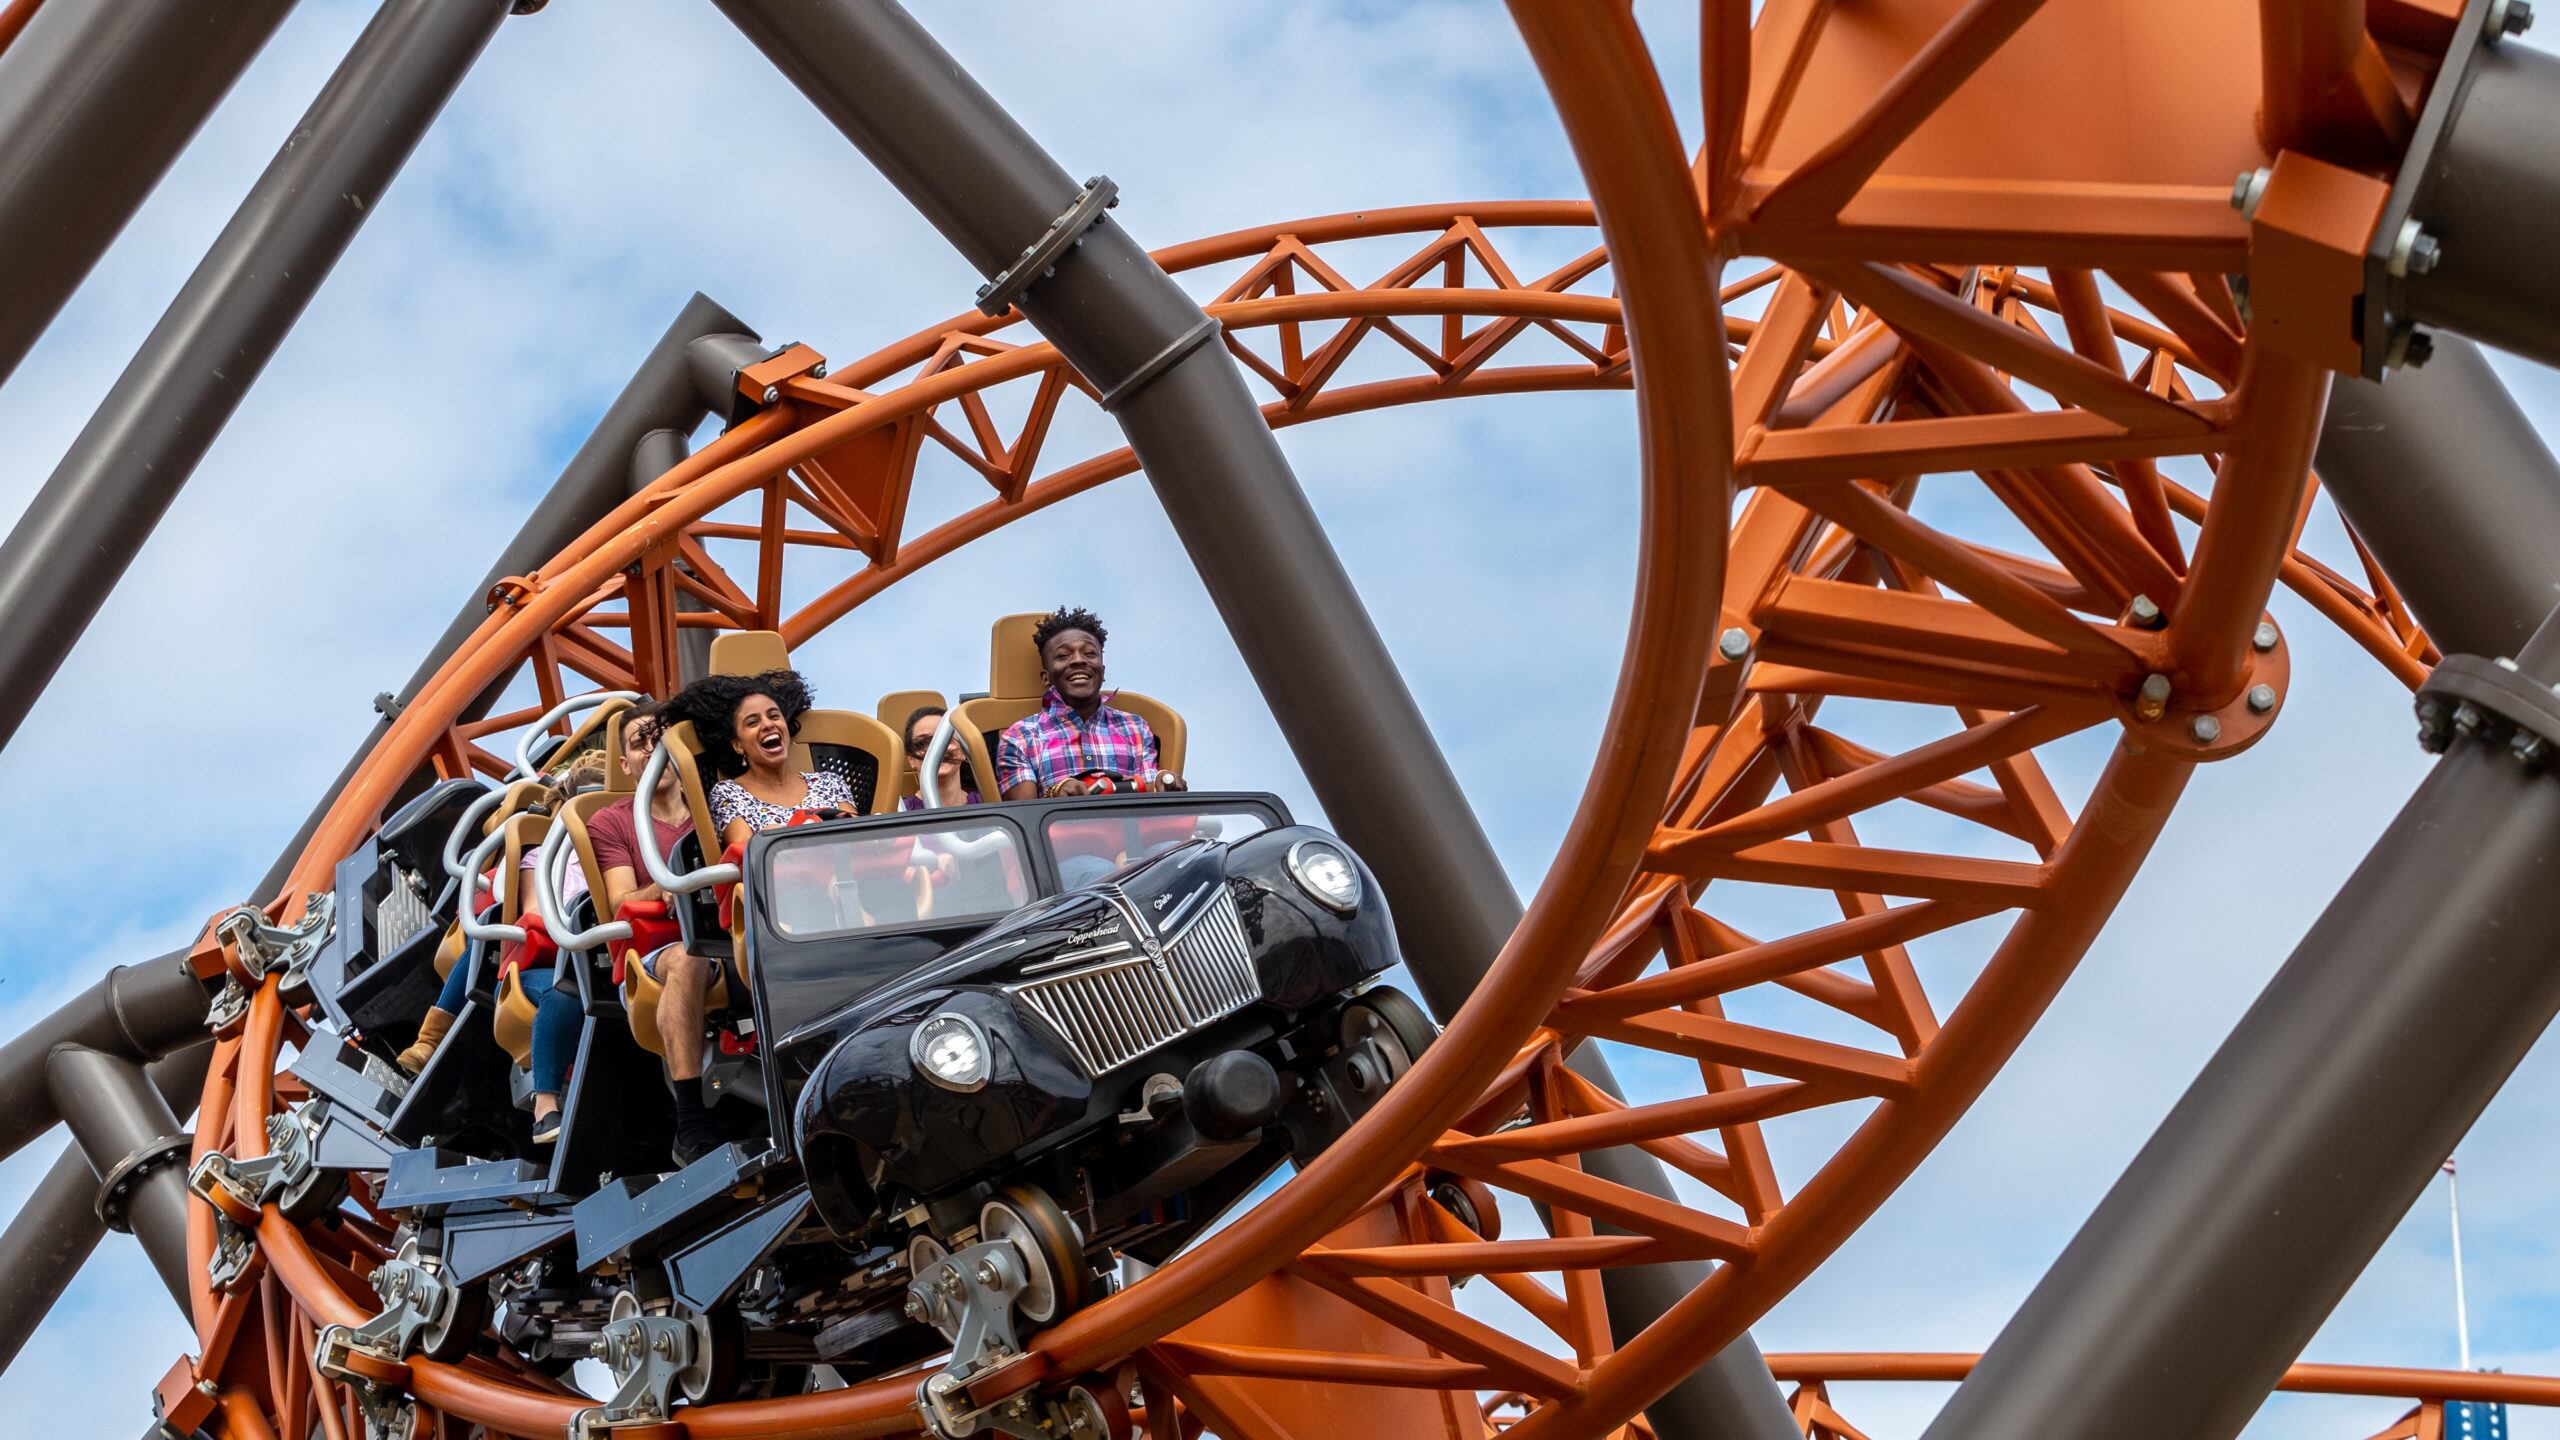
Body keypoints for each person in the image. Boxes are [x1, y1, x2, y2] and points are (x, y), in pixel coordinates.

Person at [996, 606, 1188, 800]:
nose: (1079, 660)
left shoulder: (1135, 727)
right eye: (1063, 655)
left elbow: (1152, 792)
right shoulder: (1020, 737)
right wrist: (1057, 792)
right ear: (1046, 678)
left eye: (1089, 653)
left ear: (1102, 672)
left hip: (1130, 829)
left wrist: (1163, 780)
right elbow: (1024, 816)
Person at [900, 704, 982, 811]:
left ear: (963, 751)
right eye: (923, 743)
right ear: (911, 759)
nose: (936, 749)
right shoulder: (900, 813)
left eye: (946, 739)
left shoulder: (988, 805)